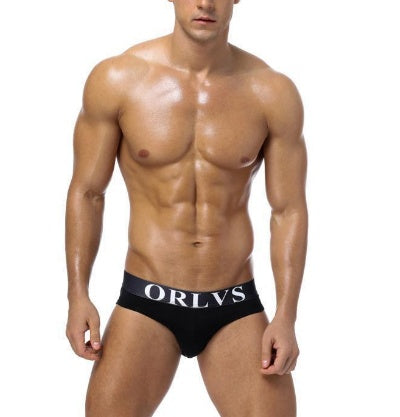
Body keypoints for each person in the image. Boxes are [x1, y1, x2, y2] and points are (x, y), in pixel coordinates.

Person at [65, 0, 308, 416]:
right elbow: (87, 192)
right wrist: (78, 295)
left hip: (233, 303)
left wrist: (286, 317)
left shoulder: (271, 92)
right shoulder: (118, 79)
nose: (205, 3)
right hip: (147, 299)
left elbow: (288, 210)